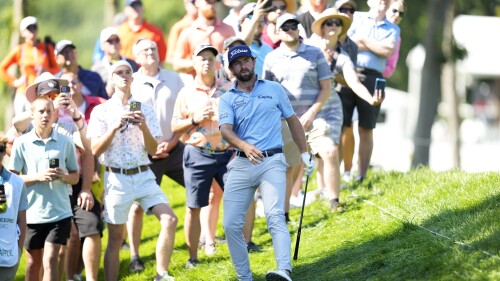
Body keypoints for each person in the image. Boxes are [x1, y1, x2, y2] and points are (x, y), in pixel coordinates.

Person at [219, 45, 314, 281]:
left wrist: (304, 153)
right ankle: (245, 277)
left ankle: (284, 270)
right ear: (232, 69)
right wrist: (244, 146)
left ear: (253, 62)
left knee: (274, 215)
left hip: (272, 160)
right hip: (242, 163)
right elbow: (226, 131)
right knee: (231, 224)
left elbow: (293, 121)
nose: (243, 66)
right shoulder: (227, 98)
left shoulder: (274, 89)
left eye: (246, 61)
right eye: (237, 63)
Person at [87, 61, 177, 281]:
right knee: (116, 239)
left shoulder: (144, 107)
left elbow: (154, 149)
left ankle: (161, 274)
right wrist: (114, 126)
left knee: (170, 220)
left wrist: (144, 126)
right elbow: (95, 149)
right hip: (116, 178)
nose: (124, 76)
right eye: (119, 72)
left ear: (133, 78)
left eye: (128, 72)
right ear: (112, 79)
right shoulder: (102, 110)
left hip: (144, 174)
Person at [11, 71, 104, 281]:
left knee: (55, 253)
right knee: (34, 261)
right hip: (35, 203)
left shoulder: (67, 127)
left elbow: (88, 149)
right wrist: (42, 109)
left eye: (55, 95)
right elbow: (14, 129)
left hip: (66, 192)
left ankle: (71, 276)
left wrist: (72, 113)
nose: (53, 100)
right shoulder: (29, 126)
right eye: (47, 96)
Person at [307, 8, 383, 209]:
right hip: (304, 106)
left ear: (341, 29)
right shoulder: (309, 48)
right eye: (329, 22)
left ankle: (333, 200)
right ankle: (293, 201)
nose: (333, 26)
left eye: (337, 23)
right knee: (303, 155)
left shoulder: (343, 57)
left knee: (331, 150)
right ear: (322, 27)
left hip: (330, 108)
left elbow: (354, 82)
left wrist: (370, 99)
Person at [125, 38, 185, 273]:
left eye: (153, 48)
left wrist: (172, 142)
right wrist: (151, 146)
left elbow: (183, 112)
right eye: (144, 50)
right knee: (138, 206)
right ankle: (134, 255)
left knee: (205, 190)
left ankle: (204, 242)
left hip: (174, 146)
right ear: (137, 58)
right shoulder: (132, 83)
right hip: (144, 153)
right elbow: (131, 121)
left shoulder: (174, 78)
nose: (150, 52)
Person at [263, 13, 332, 215]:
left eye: (293, 26)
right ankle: (283, 214)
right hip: (285, 121)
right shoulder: (271, 58)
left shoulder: (315, 53)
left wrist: (311, 113)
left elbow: (326, 88)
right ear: (277, 32)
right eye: (285, 27)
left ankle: (334, 201)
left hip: (314, 117)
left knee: (329, 151)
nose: (290, 30)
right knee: (287, 167)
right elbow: (267, 93)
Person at [172, 44, 232, 267]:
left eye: (210, 58)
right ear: (194, 63)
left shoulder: (228, 89)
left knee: (239, 199)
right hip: (197, 154)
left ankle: (244, 245)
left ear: (216, 63)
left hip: (227, 155)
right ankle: (193, 258)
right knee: (194, 207)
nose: (206, 62)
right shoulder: (186, 93)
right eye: (202, 58)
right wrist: (195, 119)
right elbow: (175, 127)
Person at [9, 95, 79, 281]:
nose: (45, 115)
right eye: (41, 111)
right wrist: (38, 177)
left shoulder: (65, 141)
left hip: (59, 212)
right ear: (32, 115)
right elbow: (12, 179)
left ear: (55, 114)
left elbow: (75, 176)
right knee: (33, 264)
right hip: (31, 213)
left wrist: (63, 177)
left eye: (49, 111)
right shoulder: (21, 143)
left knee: (50, 259)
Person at [344, 0, 400, 182]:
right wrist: (376, 46)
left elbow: (387, 51)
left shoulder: (393, 29)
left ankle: (361, 175)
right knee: (344, 126)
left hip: (374, 77)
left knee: (366, 127)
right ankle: (345, 172)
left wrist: (363, 40)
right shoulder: (357, 17)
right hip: (348, 72)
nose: (383, 1)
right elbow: (346, 44)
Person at [0, 16, 59, 114]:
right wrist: (15, 82)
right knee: (23, 125)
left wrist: (46, 70)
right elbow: (2, 68)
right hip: (23, 93)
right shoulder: (20, 50)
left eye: (34, 27)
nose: (32, 31)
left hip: (43, 93)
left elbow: (57, 69)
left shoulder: (47, 48)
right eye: (28, 28)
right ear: (22, 33)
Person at [172, 0, 235, 76]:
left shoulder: (228, 29)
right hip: (197, 84)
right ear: (197, 2)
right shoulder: (188, 32)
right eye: (208, 2)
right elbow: (176, 64)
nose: (212, 5)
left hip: (224, 82)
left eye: (214, 2)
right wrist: (198, 62)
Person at [0, 134, 28, 281]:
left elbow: (22, 221)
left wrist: (19, 249)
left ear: (4, 152)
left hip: (8, 257)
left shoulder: (17, 183)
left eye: (0, 149)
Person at [92, 27, 139, 96]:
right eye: (110, 41)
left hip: (132, 104)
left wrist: (135, 107)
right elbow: (96, 96)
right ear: (102, 46)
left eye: (116, 40)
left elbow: (137, 91)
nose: (114, 43)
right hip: (108, 105)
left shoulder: (132, 64)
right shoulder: (96, 69)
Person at [118, 0, 167, 64]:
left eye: (138, 5)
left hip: (148, 72)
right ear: (126, 10)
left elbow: (161, 58)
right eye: (132, 6)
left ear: (142, 8)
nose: (135, 8)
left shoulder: (154, 31)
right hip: (126, 71)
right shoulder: (120, 31)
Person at [383, 0, 406, 78]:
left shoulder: (397, 38)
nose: (397, 15)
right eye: (394, 11)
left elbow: (390, 68)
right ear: (386, 8)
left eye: (401, 14)